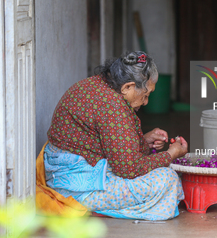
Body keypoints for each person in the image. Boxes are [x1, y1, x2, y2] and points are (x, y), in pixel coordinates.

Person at [43, 51, 188, 220]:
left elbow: (110, 141)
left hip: (64, 170)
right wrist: (171, 154)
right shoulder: (113, 107)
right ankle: (91, 206)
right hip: (74, 187)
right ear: (127, 87)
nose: (146, 101)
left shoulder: (99, 84)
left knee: (164, 172)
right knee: (167, 179)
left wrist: (142, 140)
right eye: (145, 95)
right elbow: (129, 169)